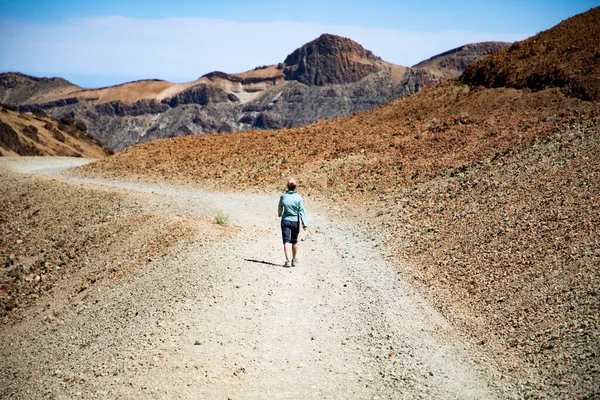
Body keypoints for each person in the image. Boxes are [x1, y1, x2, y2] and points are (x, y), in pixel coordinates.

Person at [278, 178, 308, 267]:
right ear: (295, 187)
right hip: (295, 221)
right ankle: (294, 260)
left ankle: (287, 261)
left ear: (287, 186)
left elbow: (280, 207)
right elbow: (301, 211)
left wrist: (280, 213)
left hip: (285, 220)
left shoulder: (283, 197)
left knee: (286, 241)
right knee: (294, 241)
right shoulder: (298, 198)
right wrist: (304, 223)